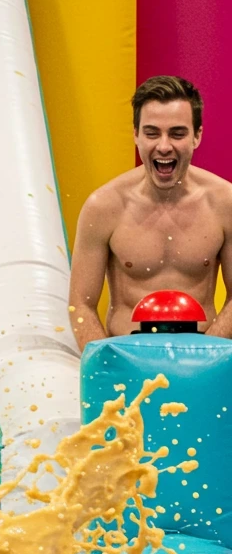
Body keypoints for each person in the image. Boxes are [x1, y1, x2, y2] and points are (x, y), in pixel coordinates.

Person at [68, 75, 232, 350]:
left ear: (197, 136)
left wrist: (205, 358)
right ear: (136, 135)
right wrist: (106, 364)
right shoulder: (104, 207)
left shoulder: (224, 203)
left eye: (177, 133)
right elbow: (81, 306)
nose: (164, 146)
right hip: (126, 356)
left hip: (206, 353)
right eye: (152, 133)